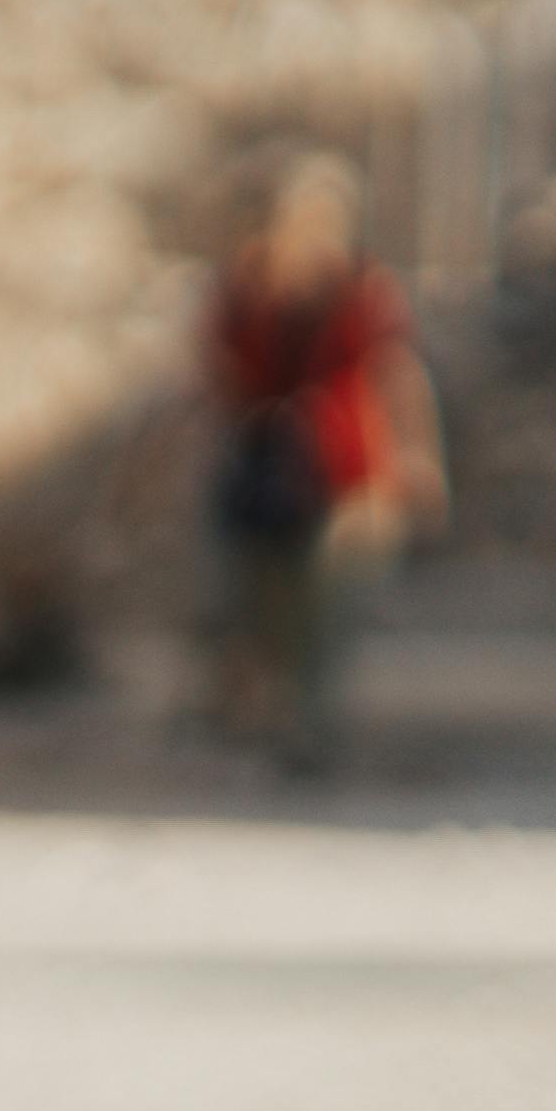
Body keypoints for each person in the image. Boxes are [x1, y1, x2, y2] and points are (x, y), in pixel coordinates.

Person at [195, 156, 442, 783]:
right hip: (270, 475)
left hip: (349, 471)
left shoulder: (360, 288)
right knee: (267, 603)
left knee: (328, 602)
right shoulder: (246, 288)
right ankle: (280, 711)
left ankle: (310, 727)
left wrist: (419, 457)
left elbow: (396, 372)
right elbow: (217, 378)